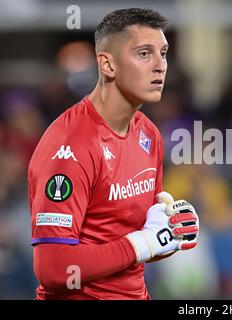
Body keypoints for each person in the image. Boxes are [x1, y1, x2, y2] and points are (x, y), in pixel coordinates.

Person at [28, 8, 200, 300]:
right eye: (144, 54)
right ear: (107, 65)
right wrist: (142, 243)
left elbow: (131, 245)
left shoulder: (149, 135)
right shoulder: (70, 146)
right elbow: (54, 269)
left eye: (164, 53)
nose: (160, 66)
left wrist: (168, 234)